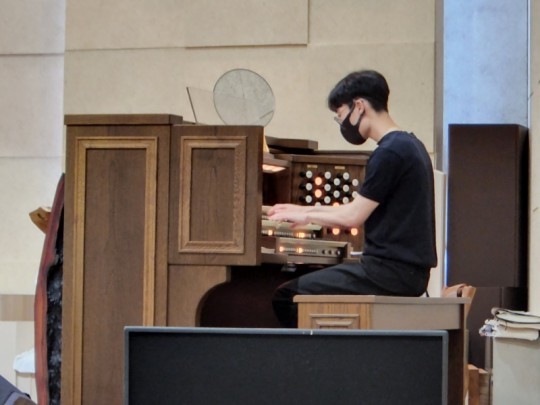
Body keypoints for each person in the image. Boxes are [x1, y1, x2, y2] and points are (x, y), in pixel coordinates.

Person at [268, 69, 437, 328]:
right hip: (405, 273)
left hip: (390, 274)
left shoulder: (390, 152)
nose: (342, 123)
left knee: (287, 296)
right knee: (310, 281)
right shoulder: (409, 145)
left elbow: (352, 217)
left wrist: (306, 214)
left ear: (359, 106)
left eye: (340, 114)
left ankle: (327, 353)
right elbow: (355, 207)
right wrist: (304, 210)